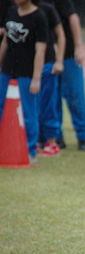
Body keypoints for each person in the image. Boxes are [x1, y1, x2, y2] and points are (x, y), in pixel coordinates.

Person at [0, 0, 48, 162]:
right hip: (7, 70)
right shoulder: (11, 10)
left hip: (26, 72)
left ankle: (30, 149)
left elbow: (40, 50)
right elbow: (6, 41)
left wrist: (36, 78)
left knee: (28, 112)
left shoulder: (39, 16)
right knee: (1, 107)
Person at [42, 0, 85, 151]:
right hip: (49, 57)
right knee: (52, 99)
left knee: (75, 97)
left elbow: (73, 18)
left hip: (69, 54)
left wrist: (79, 47)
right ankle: (57, 137)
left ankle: (83, 137)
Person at [38, 1, 65, 156]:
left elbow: (60, 34)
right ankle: (34, 140)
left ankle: (51, 142)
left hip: (47, 63)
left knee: (48, 104)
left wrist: (59, 60)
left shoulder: (47, 8)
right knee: (31, 107)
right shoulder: (13, 9)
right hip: (24, 66)